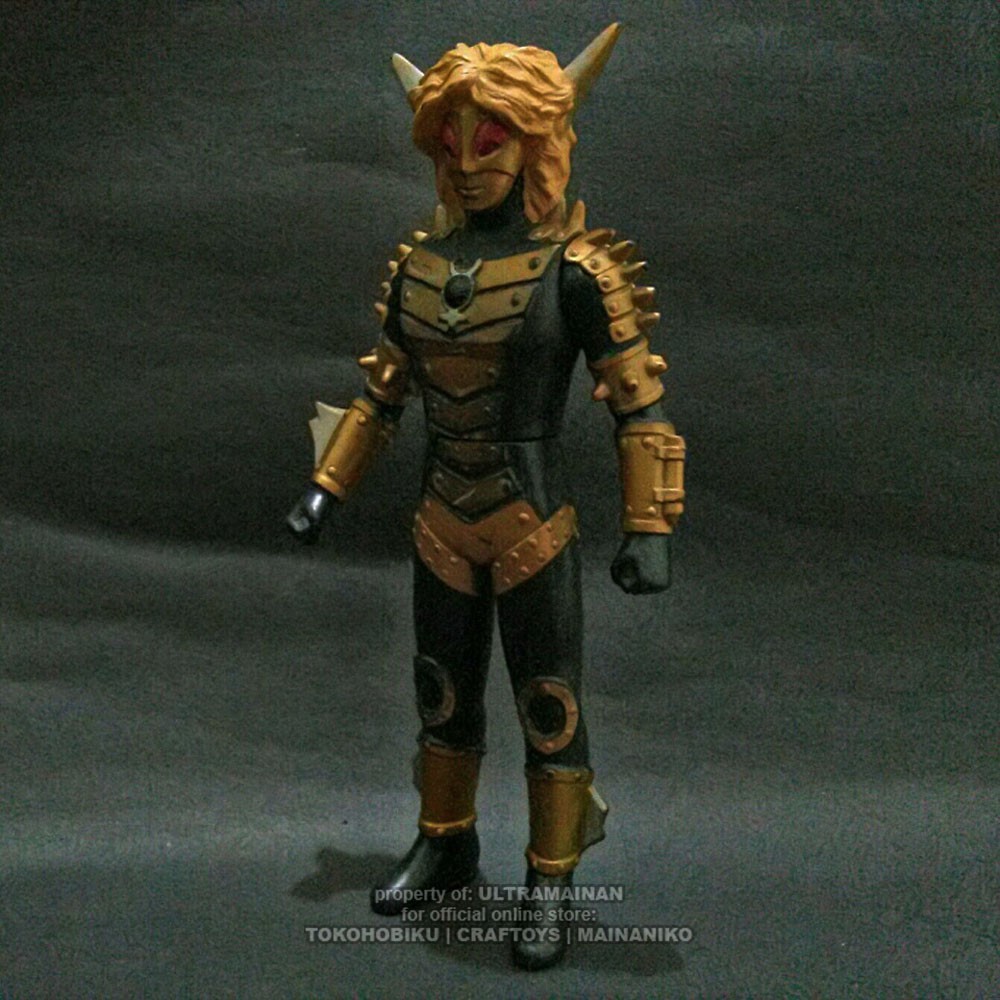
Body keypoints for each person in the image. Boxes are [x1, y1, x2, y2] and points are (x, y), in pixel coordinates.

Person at [286, 24, 685, 970]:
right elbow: (382, 394)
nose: (467, 166)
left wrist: (649, 526)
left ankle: (551, 878)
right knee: (441, 692)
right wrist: (325, 489)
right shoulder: (420, 269)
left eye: (491, 142)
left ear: (535, 145)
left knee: (549, 705)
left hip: (530, 520)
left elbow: (640, 404)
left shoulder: (579, 271)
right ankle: (446, 841)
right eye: (451, 143)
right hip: (440, 518)